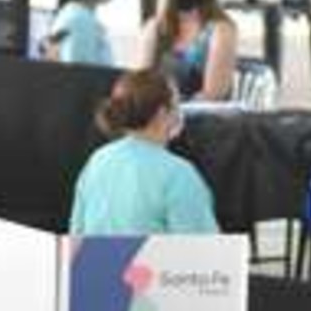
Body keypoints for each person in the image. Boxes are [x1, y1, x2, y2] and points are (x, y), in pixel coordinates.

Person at [69, 69, 219, 235]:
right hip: (153, 261)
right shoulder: (179, 175)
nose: (180, 111)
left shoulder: (97, 160)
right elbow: (205, 250)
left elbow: (76, 232)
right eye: (177, 104)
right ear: (162, 114)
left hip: (95, 261)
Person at [136, 0, 237, 102]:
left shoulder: (221, 30)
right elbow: (140, 82)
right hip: (160, 115)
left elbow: (213, 95)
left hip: (202, 117)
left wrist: (171, 112)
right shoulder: (155, 27)